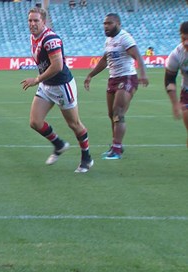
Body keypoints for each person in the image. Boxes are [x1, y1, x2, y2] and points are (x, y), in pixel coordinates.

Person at [20, 7, 93, 173]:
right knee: (35, 122)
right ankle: (59, 144)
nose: (32, 24)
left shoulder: (51, 39)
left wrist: (36, 79)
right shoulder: (33, 37)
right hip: (46, 85)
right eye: (30, 20)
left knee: (74, 124)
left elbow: (58, 66)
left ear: (43, 21)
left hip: (61, 86)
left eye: (36, 20)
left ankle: (87, 158)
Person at [84, 13, 149, 160]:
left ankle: (117, 149)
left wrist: (143, 73)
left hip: (127, 78)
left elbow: (137, 55)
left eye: (109, 23)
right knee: (111, 115)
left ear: (118, 24)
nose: (106, 26)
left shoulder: (125, 38)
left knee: (118, 113)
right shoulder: (109, 40)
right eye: (104, 24)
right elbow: (105, 59)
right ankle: (116, 146)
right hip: (113, 79)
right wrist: (90, 75)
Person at [164, 21, 188, 148]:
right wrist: (174, 103)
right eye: (183, 38)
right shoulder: (176, 54)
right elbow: (169, 80)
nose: (186, 43)